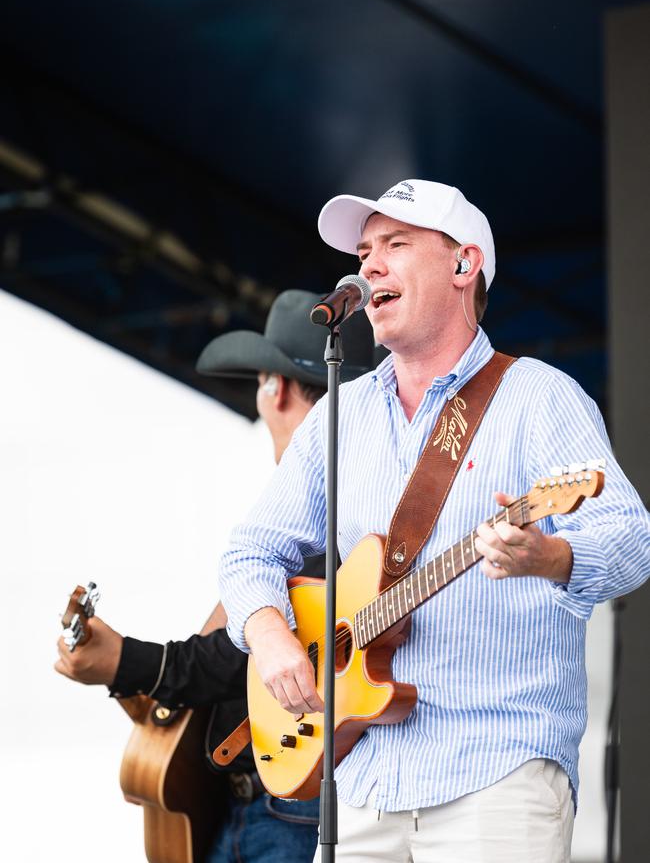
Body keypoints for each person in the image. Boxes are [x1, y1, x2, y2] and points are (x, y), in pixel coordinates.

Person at [218, 179, 650, 863]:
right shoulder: (339, 412)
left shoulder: (538, 398)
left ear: (462, 265)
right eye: (364, 251)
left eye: (396, 244)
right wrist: (270, 636)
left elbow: (631, 537)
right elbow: (250, 554)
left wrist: (549, 557)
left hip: (497, 775)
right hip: (361, 783)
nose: (369, 266)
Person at [55, 288, 377, 863]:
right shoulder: (342, 500)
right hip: (261, 801)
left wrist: (128, 661)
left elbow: (248, 658)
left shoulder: (342, 508)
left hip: (292, 806)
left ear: (273, 388)